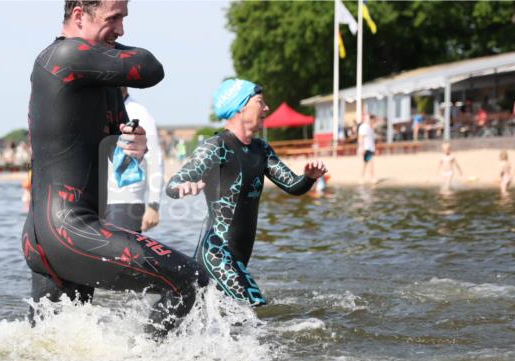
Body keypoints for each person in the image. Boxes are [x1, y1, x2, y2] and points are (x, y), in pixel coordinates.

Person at [21, 0, 204, 337]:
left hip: (57, 233)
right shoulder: (62, 57)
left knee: (56, 354)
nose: (121, 29)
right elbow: (151, 67)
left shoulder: (96, 80)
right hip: (66, 230)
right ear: (78, 15)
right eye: (114, 18)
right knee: (190, 280)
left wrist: (132, 142)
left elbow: (107, 141)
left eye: (124, 18)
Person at [165, 79, 326, 306]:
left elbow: (293, 186)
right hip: (217, 253)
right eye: (260, 102)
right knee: (255, 306)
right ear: (241, 107)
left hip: (239, 258)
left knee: (212, 316)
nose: (267, 108)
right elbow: (173, 183)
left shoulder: (262, 150)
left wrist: (309, 178)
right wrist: (182, 187)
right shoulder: (216, 146)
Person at [105, 87, 163, 232]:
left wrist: (154, 205)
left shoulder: (139, 112)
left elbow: (155, 159)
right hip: (97, 201)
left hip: (126, 203)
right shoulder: (100, 109)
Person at [358, 113, 376, 183]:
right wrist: (361, 148)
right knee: (370, 162)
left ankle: (362, 178)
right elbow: (361, 137)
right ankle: (372, 178)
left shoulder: (369, 127)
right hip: (366, 148)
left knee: (365, 163)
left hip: (370, 148)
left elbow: (371, 139)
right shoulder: (364, 126)